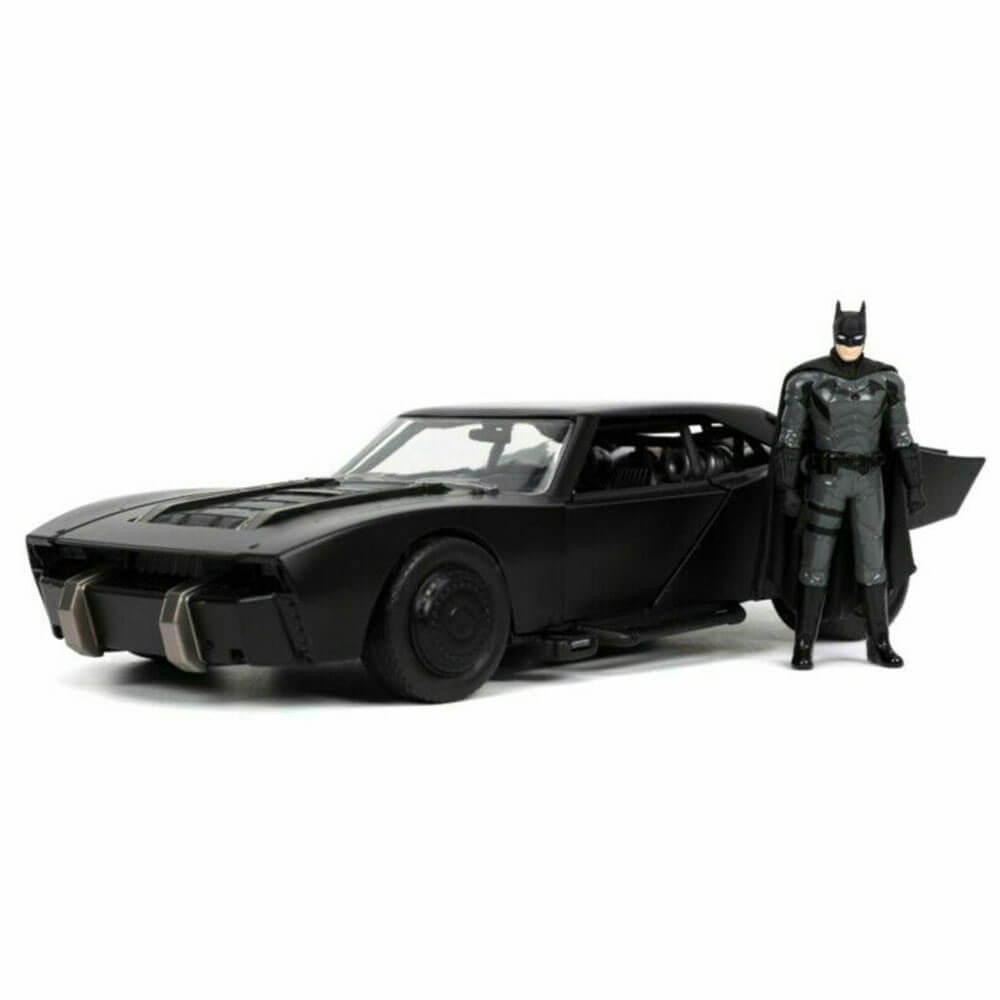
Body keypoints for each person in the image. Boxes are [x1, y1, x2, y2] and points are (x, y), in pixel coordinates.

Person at [770, 302, 925, 669]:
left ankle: (879, 642)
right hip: (826, 482)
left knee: (873, 563)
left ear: (865, 338)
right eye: (844, 339)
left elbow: (901, 436)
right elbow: (790, 439)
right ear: (834, 335)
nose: (850, 346)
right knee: (815, 560)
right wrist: (787, 487)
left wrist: (915, 484)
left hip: (869, 481)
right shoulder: (806, 381)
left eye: (855, 340)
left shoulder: (886, 381)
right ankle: (804, 644)